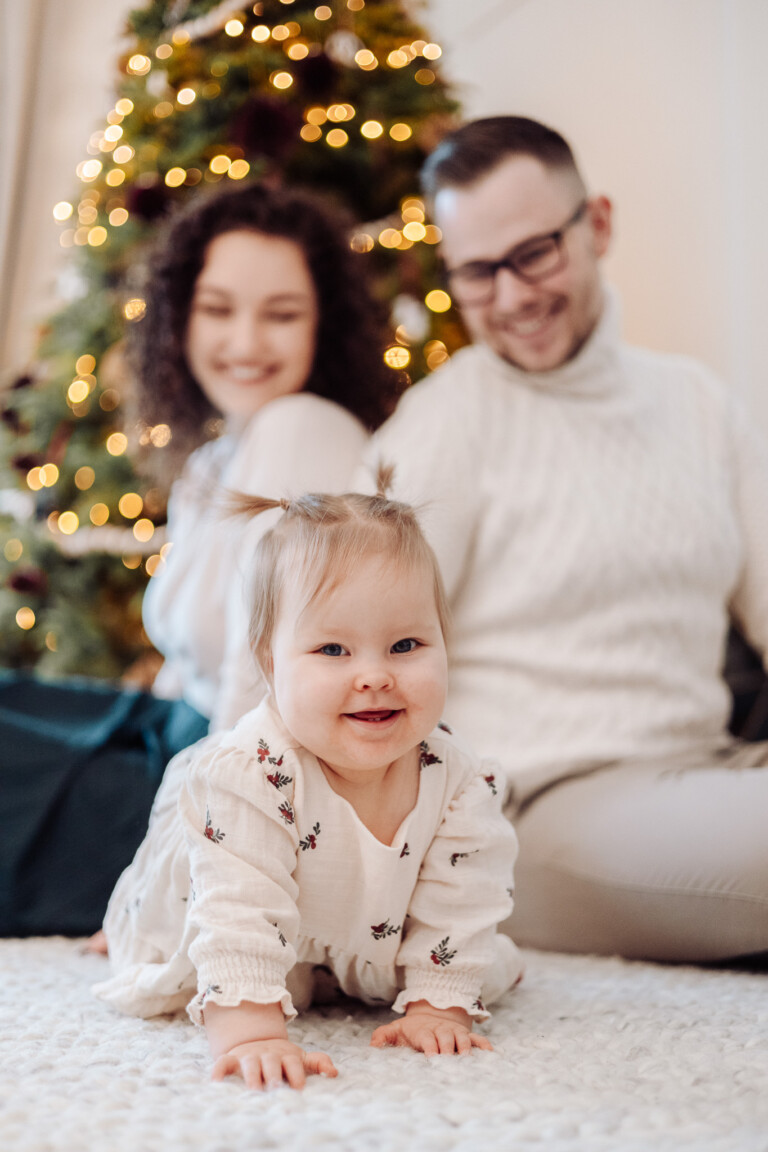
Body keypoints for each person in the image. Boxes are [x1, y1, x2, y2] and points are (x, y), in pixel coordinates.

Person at [359, 115, 768, 964]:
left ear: (600, 225)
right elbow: (326, 644)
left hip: (710, 769)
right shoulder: (446, 422)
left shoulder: (697, 403)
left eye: (533, 255)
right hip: (527, 811)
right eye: (477, 272)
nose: (510, 298)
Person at [0, 181, 395, 938]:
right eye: (218, 309)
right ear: (182, 317)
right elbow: (188, 658)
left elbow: (268, 682)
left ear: (324, 326)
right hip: (159, 732)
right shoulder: (212, 462)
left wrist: (182, 867)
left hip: (222, 790)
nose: (245, 342)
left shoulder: (303, 429)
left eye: (280, 315)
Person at [93, 484, 523, 1090]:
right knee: (172, 947)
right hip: (232, 898)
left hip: (363, 934)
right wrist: (252, 1033)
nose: (374, 676)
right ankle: (122, 924)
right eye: (332, 650)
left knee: (471, 966)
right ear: (271, 664)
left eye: (407, 645)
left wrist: (437, 1005)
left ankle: (339, 969)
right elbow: (239, 911)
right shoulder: (253, 772)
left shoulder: (457, 778)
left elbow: (463, 897)